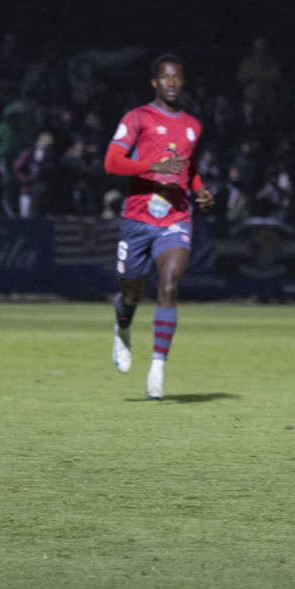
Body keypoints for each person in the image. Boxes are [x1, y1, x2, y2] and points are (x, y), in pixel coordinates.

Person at [103, 54, 214, 399]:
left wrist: (198, 189)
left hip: (175, 217)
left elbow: (188, 165)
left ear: (182, 82)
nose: (171, 82)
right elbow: (111, 163)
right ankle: (122, 330)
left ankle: (157, 370)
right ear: (154, 81)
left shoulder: (193, 125)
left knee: (169, 285)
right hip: (138, 218)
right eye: (165, 77)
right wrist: (155, 166)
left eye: (177, 77)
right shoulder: (137, 117)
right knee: (130, 295)